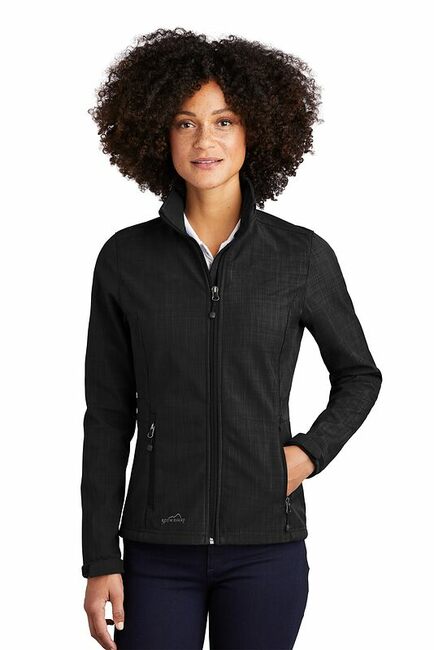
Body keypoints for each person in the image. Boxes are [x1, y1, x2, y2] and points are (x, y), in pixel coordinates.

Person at [81, 28, 382, 650]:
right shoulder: (125, 260)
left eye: (224, 121)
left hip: (265, 548)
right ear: (159, 136)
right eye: (185, 123)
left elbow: (359, 375)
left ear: (254, 133)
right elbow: (107, 416)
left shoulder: (300, 257)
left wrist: (307, 455)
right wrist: (99, 558)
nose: (205, 141)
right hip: (155, 550)